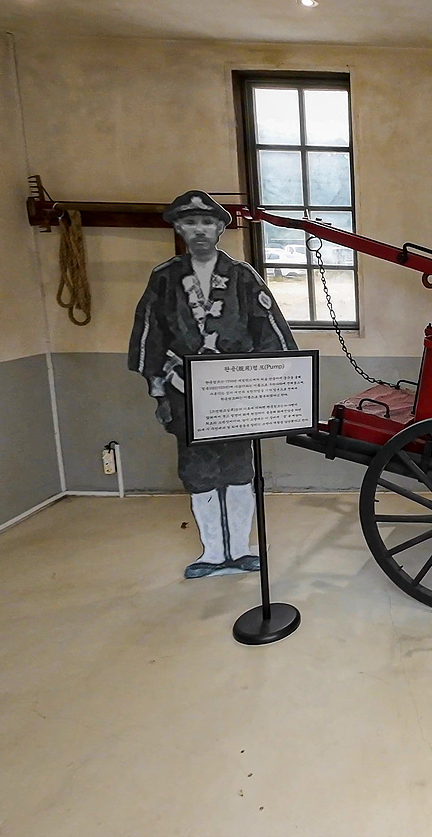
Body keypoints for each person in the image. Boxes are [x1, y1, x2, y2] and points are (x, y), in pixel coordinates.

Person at [128, 191, 296, 578]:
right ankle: (212, 554)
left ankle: (239, 550)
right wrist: (157, 386)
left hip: (234, 392)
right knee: (198, 471)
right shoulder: (165, 277)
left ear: (220, 228)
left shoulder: (241, 275)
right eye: (190, 222)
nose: (199, 230)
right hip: (183, 389)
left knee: (238, 469)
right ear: (179, 228)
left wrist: (273, 380)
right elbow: (149, 332)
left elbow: (269, 329)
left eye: (207, 222)